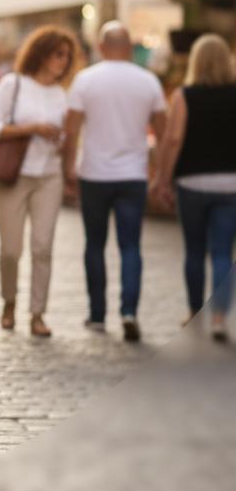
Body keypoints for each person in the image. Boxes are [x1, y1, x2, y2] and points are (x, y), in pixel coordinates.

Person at [62, 21, 166, 343]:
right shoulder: (148, 81)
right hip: (133, 175)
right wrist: (161, 174)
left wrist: (68, 169)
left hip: (94, 173)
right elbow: (163, 133)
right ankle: (129, 312)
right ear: (131, 48)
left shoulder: (86, 79)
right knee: (130, 245)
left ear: (101, 47)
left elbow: (71, 130)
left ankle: (97, 314)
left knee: (95, 244)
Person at [0, 26, 81, 338]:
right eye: (58, 54)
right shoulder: (13, 84)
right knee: (11, 250)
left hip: (49, 175)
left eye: (68, 56)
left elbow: (69, 137)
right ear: (41, 54)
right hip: (13, 176)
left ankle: (38, 313)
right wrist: (32, 128)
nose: (64, 61)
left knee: (43, 247)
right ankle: (9, 302)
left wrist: (64, 146)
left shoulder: (63, 94)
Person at [152, 34, 236, 343]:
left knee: (195, 250)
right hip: (230, 184)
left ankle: (194, 311)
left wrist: (162, 178)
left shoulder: (184, 96)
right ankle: (218, 319)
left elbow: (173, 140)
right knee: (223, 252)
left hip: (192, 183)